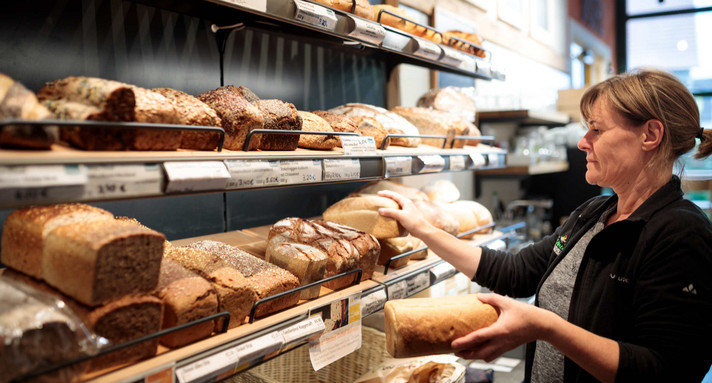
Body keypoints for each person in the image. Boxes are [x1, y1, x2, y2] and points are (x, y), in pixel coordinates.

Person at [378, 68, 712, 383]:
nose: (583, 141)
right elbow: (514, 271)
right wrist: (422, 228)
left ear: (650, 135)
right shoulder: (593, 213)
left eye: (597, 129)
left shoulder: (681, 233)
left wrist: (547, 327)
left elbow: (667, 371)